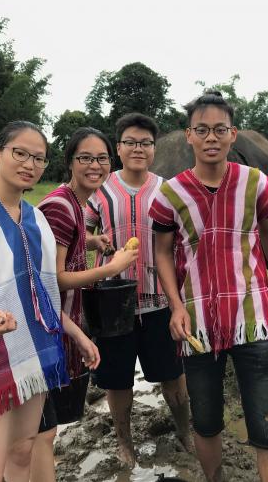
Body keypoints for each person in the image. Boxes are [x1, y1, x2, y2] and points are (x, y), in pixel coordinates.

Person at [0, 121, 97, 482]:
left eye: (38, 158)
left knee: (23, 453)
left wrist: (77, 335)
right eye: (19, 153)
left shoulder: (36, 218)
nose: (29, 164)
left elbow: (43, 295)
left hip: (33, 353)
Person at [150, 90, 268, 482]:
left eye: (219, 130)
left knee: (267, 423)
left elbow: (267, 228)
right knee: (207, 420)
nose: (211, 137)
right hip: (197, 326)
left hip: (252, 316)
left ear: (233, 135)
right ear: (189, 136)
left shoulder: (257, 183)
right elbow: (162, 253)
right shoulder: (169, 194)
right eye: (202, 130)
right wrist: (175, 306)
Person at [83, 113, 191, 466]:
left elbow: (186, 238)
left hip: (160, 300)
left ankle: (184, 431)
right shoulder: (100, 191)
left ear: (154, 149)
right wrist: (94, 240)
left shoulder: (168, 190)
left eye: (145, 143)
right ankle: (124, 442)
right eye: (130, 142)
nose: (138, 148)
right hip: (113, 303)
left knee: (173, 375)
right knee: (117, 381)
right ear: (118, 148)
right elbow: (75, 232)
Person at [31, 127, 139, 480]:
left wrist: (91, 243)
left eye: (102, 158)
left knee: (41, 431)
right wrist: (112, 267)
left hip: (59, 324)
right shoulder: (62, 208)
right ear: (69, 162)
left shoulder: (75, 203)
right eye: (85, 158)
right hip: (46, 331)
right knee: (38, 433)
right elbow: (55, 279)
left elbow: (57, 252)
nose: (95, 165)